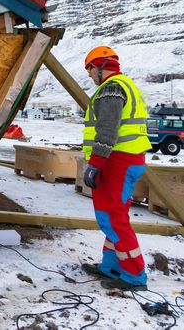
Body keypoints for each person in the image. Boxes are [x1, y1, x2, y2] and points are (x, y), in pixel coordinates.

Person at [81, 45, 151, 291]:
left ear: (99, 67)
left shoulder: (110, 89)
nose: (90, 76)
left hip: (116, 162)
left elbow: (107, 131)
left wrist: (95, 163)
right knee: (113, 217)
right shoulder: (124, 85)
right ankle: (111, 266)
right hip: (123, 160)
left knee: (112, 218)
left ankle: (134, 275)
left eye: (90, 71)